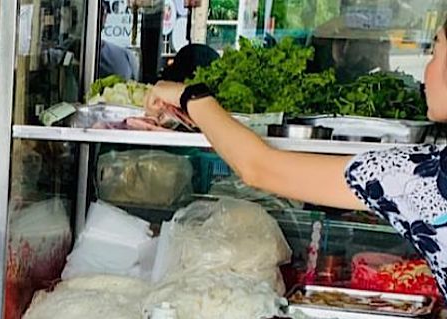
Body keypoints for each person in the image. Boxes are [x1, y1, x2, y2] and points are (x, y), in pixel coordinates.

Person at [144, 24, 447, 296]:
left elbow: (260, 168)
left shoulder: (422, 177)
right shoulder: (423, 174)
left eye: (434, 52)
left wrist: (190, 96)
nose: (426, 70)